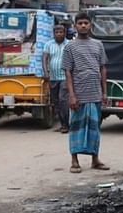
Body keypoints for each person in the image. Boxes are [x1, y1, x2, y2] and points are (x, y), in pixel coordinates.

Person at [62, 12, 109, 173]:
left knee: (94, 128)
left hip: (95, 93)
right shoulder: (70, 47)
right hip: (79, 94)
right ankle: (74, 161)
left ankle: (95, 159)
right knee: (76, 127)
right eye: (80, 23)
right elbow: (68, 72)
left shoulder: (98, 45)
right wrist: (72, 95)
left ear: (90, 25)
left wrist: (104, 92)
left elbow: (103, 68)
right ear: (75, 26)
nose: (83, 25)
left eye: (86, 23)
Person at [42, 24, 70, 133]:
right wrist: (46, 72)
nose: (59, 34)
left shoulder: (69, 44)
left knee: (63, 100)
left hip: (65, 77)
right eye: (56, 32)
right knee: (56, 102)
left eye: (61, 32)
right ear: (53, 33)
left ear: (65, 32)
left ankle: (66, 125)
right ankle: (63, 124)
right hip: (53, 78)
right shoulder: (48, 44)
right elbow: (44, 58)